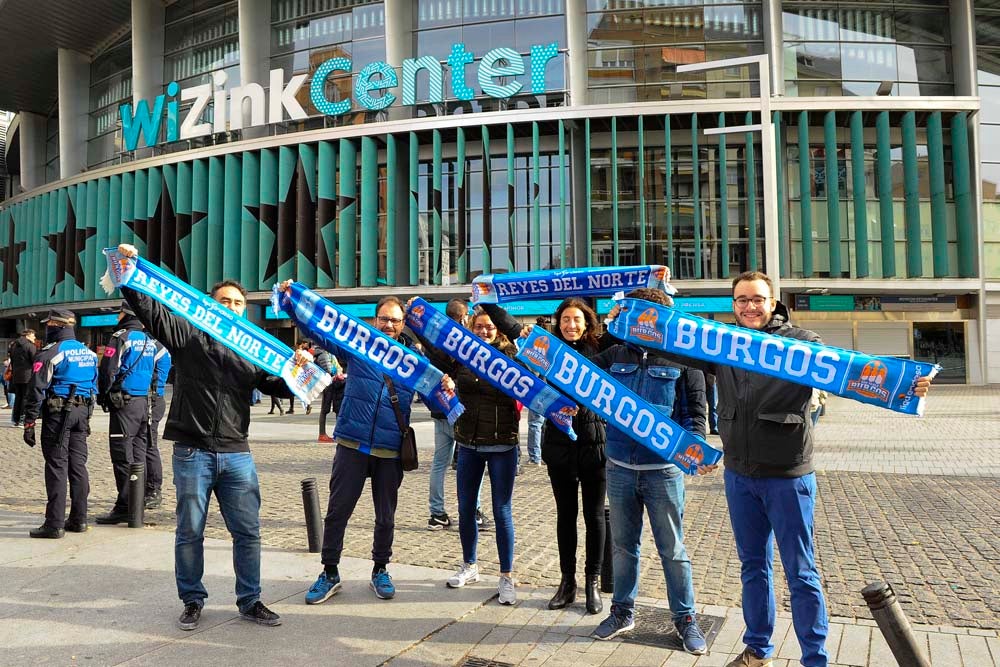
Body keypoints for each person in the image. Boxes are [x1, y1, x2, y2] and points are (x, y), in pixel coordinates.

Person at [665, 271, 931, 667]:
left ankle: (815, 659)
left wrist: (906, 383)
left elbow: (850, 372)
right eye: (741, 300)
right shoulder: (721, 345)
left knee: (800, 572)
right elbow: (668, 343)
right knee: (752, 568)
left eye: (757, 299)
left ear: (773, 303)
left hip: (788, 476)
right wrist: (627, 320)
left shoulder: (802, 344)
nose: (749, 306)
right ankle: (758, 650)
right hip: (739, 476)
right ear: (733, 305)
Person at [116, 243, 299, 631]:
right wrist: (129, 271)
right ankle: (192, 600)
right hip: (192, 451)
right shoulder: (188, 336)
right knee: (189, 532)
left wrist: (298, 372)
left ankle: (250, 600)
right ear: (210, 305)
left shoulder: (254, 349)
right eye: (223, 300)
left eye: (237, 302)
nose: (230, 306)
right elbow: (152, 311)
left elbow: (276, 386)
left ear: (244, 309)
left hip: (237, 454)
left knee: (247, 532)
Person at [301, 293, 453, 605]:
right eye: (384, 318)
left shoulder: (415, 363)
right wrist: (294, 304)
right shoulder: (359, 347)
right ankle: (329, 572)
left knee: (386, 517)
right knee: (338, 511)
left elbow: (435, 397)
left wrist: (447, 388)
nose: (389, 325)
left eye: (396, 320)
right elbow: (321, 335)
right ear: (374, 320)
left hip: (390, 449)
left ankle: (380, 569)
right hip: (352, 445)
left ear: (403, 324)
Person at [589, 288, 709, 656]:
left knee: (672, 550)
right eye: (637, 314)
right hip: (620, 468)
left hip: (663, 472)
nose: (644, 322)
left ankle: (685, 619)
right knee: (624, 548)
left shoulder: (684, 361)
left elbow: (696, 416)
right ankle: (622, 612)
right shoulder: (613, 354)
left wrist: (695, 449)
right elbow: (577, 376)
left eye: (651, 316)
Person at [483, 299, 608, 614]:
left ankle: (592, 582)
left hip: (594, 445)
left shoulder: (602, 348)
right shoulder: (546, 348)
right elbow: (512, 328)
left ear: (588, 322)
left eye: (576, 319)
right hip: (559, 445)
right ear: (558, 322)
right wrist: (486, 298)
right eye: (565, 319)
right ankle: (567, 583)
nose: (571, 325)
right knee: (566, 516)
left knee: (594, 518)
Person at [415, 306, 521, 606]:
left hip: (502, 444)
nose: (484, 331)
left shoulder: (510, 356)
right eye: (478, 327)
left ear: (498, 329)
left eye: (489, 326)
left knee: (502, 511)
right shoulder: (462, 356)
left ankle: (507, 576)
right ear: (470, 328)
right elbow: (437, 358)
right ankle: (470, 565)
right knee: (465, 509)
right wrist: (448, 386)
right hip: (469, 443)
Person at [21, 310, 98, 538]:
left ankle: (54, 524)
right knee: (78, 466)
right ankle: (79, 519)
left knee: (56, 466)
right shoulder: (89, 353)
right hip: (82, 412)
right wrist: (88, 417)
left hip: (59, 414)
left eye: (50, 324)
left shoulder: (50, 353)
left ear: (56, 324)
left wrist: (29, 422)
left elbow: (36, 389)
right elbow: (94, 387)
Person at [426, 299, 489, 533]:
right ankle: (474, 510)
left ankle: (436, 513)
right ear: (463, 317)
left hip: (439, 410)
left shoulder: (434, 338)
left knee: (439, 463)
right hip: (461, 410)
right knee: (471, 462)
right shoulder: (462, 342)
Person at [95, 302, 156, 525]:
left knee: (122, 455)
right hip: (142, 402)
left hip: (124, 403)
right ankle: (137, 506)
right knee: (139, 454)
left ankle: (125, 506)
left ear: (124, 314)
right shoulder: (148, 339)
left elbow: (108, 369)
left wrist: (102, 395)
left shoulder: (121, 336)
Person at [144, 339, 172, 509]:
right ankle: (144, 487)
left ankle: (154, 489)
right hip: (150, 399)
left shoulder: (155, 347)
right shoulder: (155, 345)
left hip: (152, 400)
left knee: (149, 445)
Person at [8, 328, 37, 426]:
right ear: (28, 335)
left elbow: (11, 360)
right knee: (26, 398)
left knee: (18, 398)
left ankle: (15, 419)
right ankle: (22, 419)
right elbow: (35, 362)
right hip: (27, 376)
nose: (35, 338)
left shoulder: (14, 345)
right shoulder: (30, 346)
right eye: (33, 336)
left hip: (16, 376)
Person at [313, 343, 339, 443]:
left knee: (335, 409)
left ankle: (332, 433)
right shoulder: (324, 355)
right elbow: (329, 370)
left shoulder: (323, 354)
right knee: (326, 409)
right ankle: (322, 434)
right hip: (329, 384)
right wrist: (336, 372)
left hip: (329, 384)